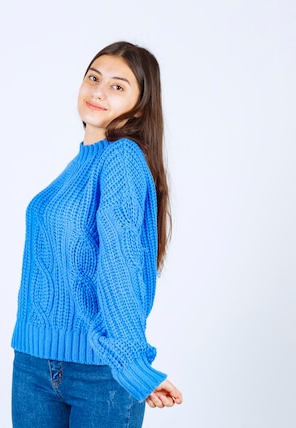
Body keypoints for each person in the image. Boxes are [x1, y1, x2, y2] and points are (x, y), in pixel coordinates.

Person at [11, 41, 182, 427]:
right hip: (34, 363)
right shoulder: (78, 166)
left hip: (99, 374)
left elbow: (118, 263)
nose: (99, 91)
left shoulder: (121, 158)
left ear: (140, 105)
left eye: (118, 86)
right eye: (94, 78)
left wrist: (131, 363)